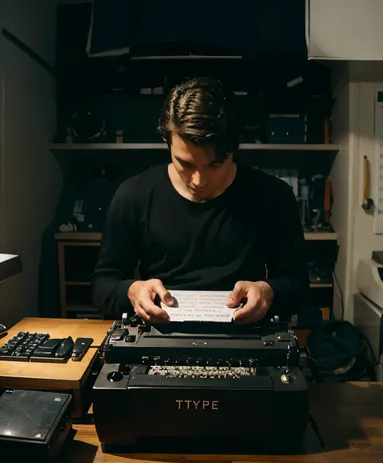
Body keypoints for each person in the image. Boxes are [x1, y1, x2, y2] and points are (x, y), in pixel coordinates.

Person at [91, 77, 309, 324]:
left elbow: (298, 285)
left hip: (244, 334)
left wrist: (268, 292)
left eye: (215, 164)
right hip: (160, 334)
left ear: (234, 148)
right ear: (166, 140)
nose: (199, 180)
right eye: (185, 163)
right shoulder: (133, 195)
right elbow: (102, 285)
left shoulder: (273, 195)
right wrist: (132, 291)